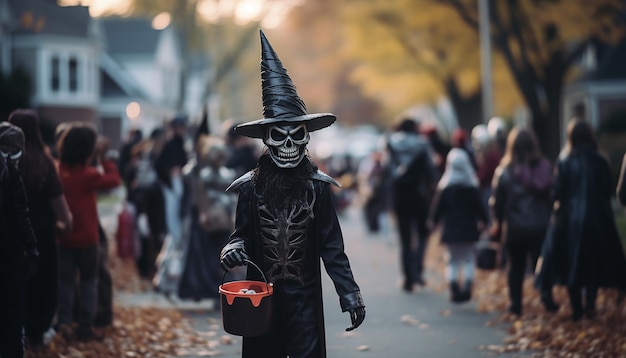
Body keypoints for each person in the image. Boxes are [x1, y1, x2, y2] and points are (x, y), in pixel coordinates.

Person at [219, 30, 365, 358]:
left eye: (296, 135)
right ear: (266, 140)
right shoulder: (252, 188)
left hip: (305, 302)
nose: (288, 145)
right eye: (278, 136)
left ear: (306, 138)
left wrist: (349, 293)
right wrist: (231, 248)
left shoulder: (316, 187)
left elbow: (332, 247)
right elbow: (239, 235)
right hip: (261, 299)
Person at [537, 119, 626, 321]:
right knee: (591, 263)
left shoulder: (565, 161)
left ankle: (577, 308)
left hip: (569, 221)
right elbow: (606, 189)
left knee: (572, 264)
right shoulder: (601, 160)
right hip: (598, 219)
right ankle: (590, 305)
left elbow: (557, 192)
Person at [8, 110, 73, 348]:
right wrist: (65, 223)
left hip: (11, 231)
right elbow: (59, 202)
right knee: (43, 279)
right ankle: (37, 332)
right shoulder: (46, 163)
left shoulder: (6, 162)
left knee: (13, 280)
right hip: (42, 230)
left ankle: (16, 331)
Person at [56, 123, 121, 340]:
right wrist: (103, 157)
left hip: (63, 237)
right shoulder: (89, 175)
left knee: (65, 281)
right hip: (87, 238)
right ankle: (85, 325)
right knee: (88, 282)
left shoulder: (58, 171)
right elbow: (114, 179)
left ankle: (64, 322)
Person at [489, 127, 553, 316]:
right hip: (540, 225)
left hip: (515, 228)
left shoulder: (504, 172)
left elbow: (497, 201)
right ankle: (546, 294)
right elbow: (553, 194)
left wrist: (498, 222)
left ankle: (516, 304)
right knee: (540, 263)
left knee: (515, 266)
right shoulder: (544, 167)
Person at [178, 135, 237, 301]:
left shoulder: (222, 174)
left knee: (219, 259)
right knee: (212, 259)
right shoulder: (205, 174)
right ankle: (211, 289)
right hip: (211, 222)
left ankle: (216, 290)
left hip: (220, 222)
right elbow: (199, 196)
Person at [0, 122, 39, 358]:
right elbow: (21, 212)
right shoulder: (10, 172)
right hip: (8, 250)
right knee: (12, 309)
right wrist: (32, 247)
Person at [429, 148, 487, 303]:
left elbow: (438, 209)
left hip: (451, 230)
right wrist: (487, 222)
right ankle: (467, 286)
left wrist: (433, 223)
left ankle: (454, 287)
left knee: (452, 260)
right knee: (469, 259)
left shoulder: (445, 188)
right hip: (469, 230)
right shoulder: (471, 187)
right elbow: (480, 208)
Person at [386, 117, 437, 291]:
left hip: (400, 194)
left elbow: (387, 169)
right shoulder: (422, 144)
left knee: (405, 237)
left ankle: (408, 277)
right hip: (419, 193)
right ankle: (417, 269)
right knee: (423, 233)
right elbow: (431, 169)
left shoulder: (391, 143)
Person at [153, 117, 189, 296]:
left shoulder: (178, 145)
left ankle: (162, 279)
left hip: (176, 201)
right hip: (174, 202)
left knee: (173, 240)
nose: (182, 129)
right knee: (176, 239)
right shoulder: (172, 147)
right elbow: (172, 173)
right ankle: (167, 281)